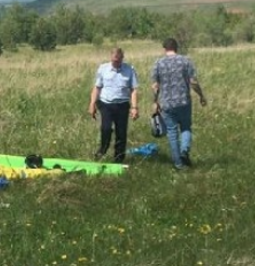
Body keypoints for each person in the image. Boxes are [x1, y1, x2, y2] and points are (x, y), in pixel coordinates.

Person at [151, 38, 207, 170]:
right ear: (176, 48)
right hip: (184, 102)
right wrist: (201, 96)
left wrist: (155, 101)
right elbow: (193, 82)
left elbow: (155, 86)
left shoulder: (158, 63)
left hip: (167, 104)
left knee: (171, 132)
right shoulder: (185, 61)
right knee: (186, 128)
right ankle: (184, 151)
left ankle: (178, 164)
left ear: (165, 49)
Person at [88, 47, 139, 163]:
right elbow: (97, 87)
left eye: (118, 60)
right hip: (106, 104)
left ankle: (119, 158)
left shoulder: (129, 69)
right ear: (111, 57)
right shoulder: (103, 69)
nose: (116, 62)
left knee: (121, 132)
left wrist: (134, 107)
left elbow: (133, 90)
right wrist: (92, 104)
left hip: (122, 105)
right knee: (106, 128)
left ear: (122, 58)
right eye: (114, 60)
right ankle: (102, 150)